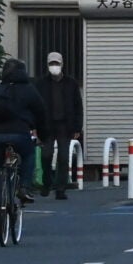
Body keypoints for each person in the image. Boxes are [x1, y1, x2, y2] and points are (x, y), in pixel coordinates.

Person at [0, 57, 48, 219]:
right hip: (19, 134)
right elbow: (41, 113)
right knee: (29, 154)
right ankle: (24, 187)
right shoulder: (28, 89)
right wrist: (43, 137)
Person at [38, 51, 82, 198]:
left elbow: (78, 106)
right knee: (46, 155)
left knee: (63, 157)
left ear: (62, 64)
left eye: (56, 63)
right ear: (47, 65)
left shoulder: (71, 83)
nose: (54, 66)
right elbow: (36, 107)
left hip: (65, 125)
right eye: (51, 64)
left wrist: (77, 127)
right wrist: (35, 127)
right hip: (46, 125)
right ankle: (47, 182)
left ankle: (60, 188)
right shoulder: (41, 84)